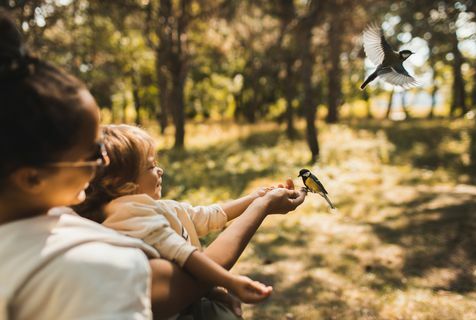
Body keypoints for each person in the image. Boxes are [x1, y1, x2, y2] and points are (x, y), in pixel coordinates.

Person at [0, 10, 306, 320]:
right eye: (92, 152)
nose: (103, 161)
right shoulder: (82, 269)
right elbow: (179, 284)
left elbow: (203, 225)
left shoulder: (44, 223)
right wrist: (260, 208)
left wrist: (212, 284)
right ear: (31, 178)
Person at [74, 124, 301, 318]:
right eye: (151, 166)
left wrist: (256, 198)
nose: (160, 170)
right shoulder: (128, 212)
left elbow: (210, 215)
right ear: (124, 183)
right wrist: (230, 282)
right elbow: (183, 254)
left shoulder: (157, 207)